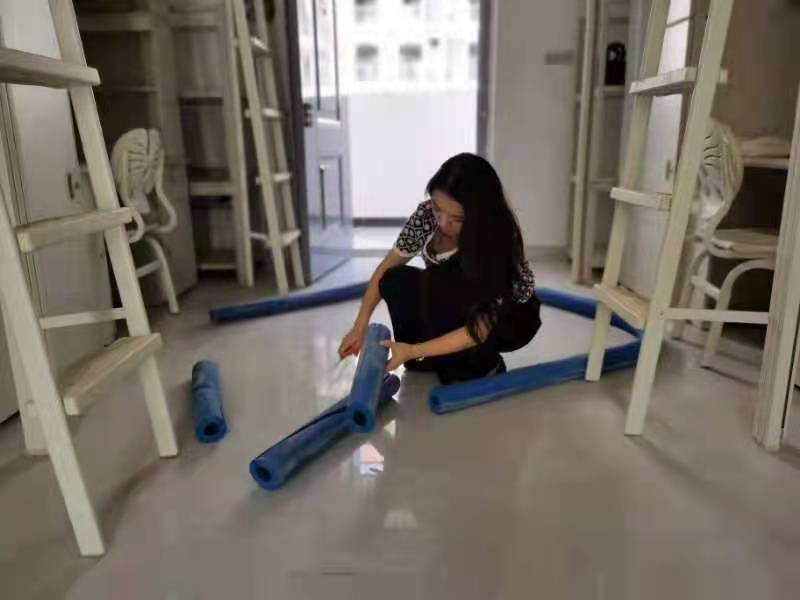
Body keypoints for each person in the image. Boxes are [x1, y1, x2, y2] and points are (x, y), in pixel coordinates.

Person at [338, 153, 541, 384]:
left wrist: (414, 349)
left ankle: (483, 364)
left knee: (441, 281)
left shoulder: (494, 239)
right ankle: (425, 357)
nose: (443, 223)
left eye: (458, 218)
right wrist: (359, 326)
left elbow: (481, 328)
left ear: (478, 215)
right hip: (454, 291)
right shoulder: (426, 216)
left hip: (508, 317)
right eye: (438, 209)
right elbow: (386, 268)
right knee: (394, 279)